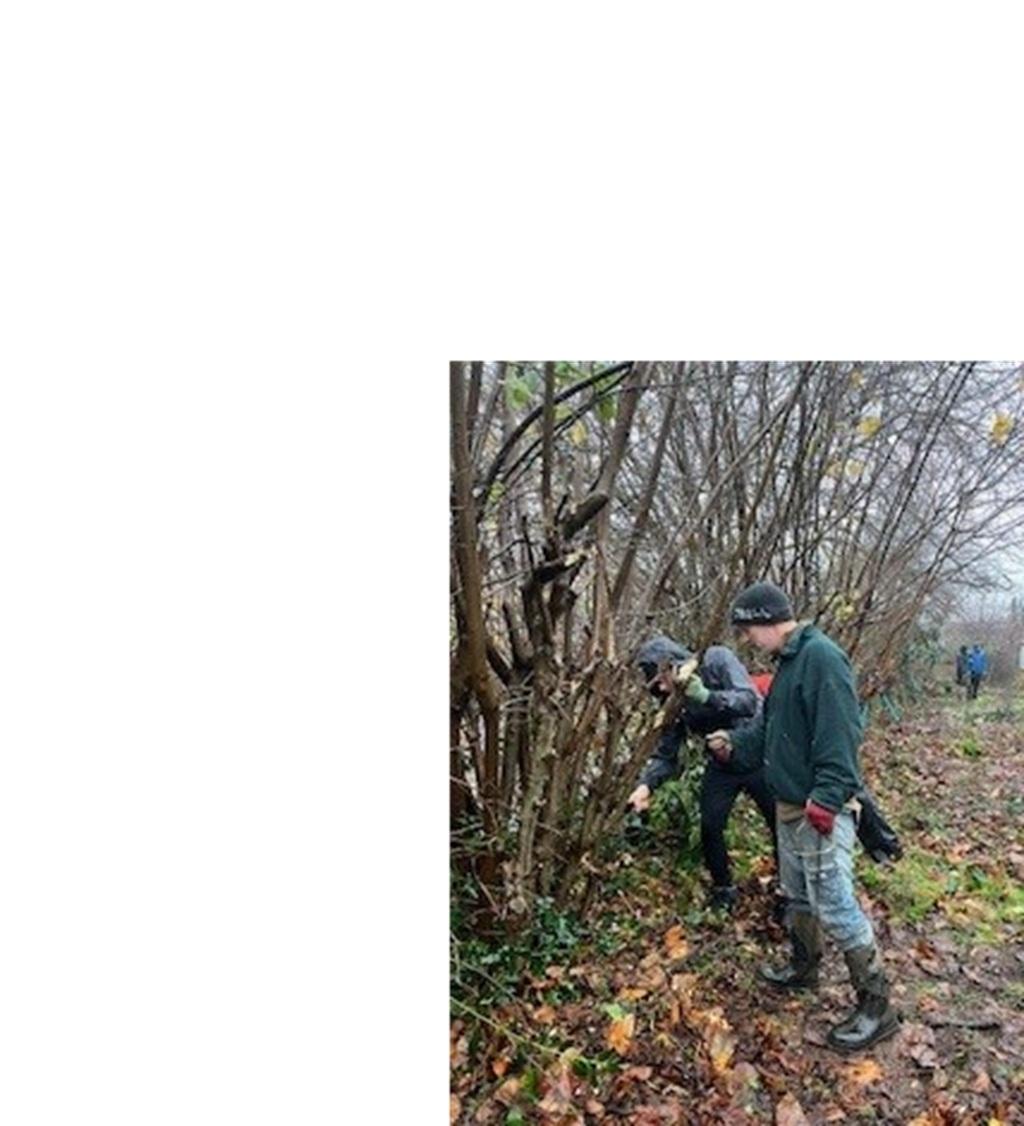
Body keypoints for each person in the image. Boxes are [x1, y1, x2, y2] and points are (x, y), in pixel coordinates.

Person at [706, 581, 899, 1053]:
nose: (748, 639)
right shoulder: (789, 663)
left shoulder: (822, 659)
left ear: (767, 621)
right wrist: (736, 746)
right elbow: (773, 729)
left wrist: (827, 799)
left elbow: (841, 735)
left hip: (818, 809)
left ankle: (878, 1008)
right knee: (797, 895)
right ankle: (804, 967)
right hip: (789, 806)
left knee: (835, 903)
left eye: (749, 629)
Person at [626, 634, 779, 914]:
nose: (659, 687)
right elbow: (666, 754)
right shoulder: (672, 702)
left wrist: (707, 696)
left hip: (758, 754)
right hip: (722, 764)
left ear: (671, 665)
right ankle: (723, 889)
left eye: (660, 678)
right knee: (710, 825)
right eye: (654, 685)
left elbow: (748, 701)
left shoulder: (716, 659)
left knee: (778, 822)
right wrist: (645, 787)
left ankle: (788, 890)